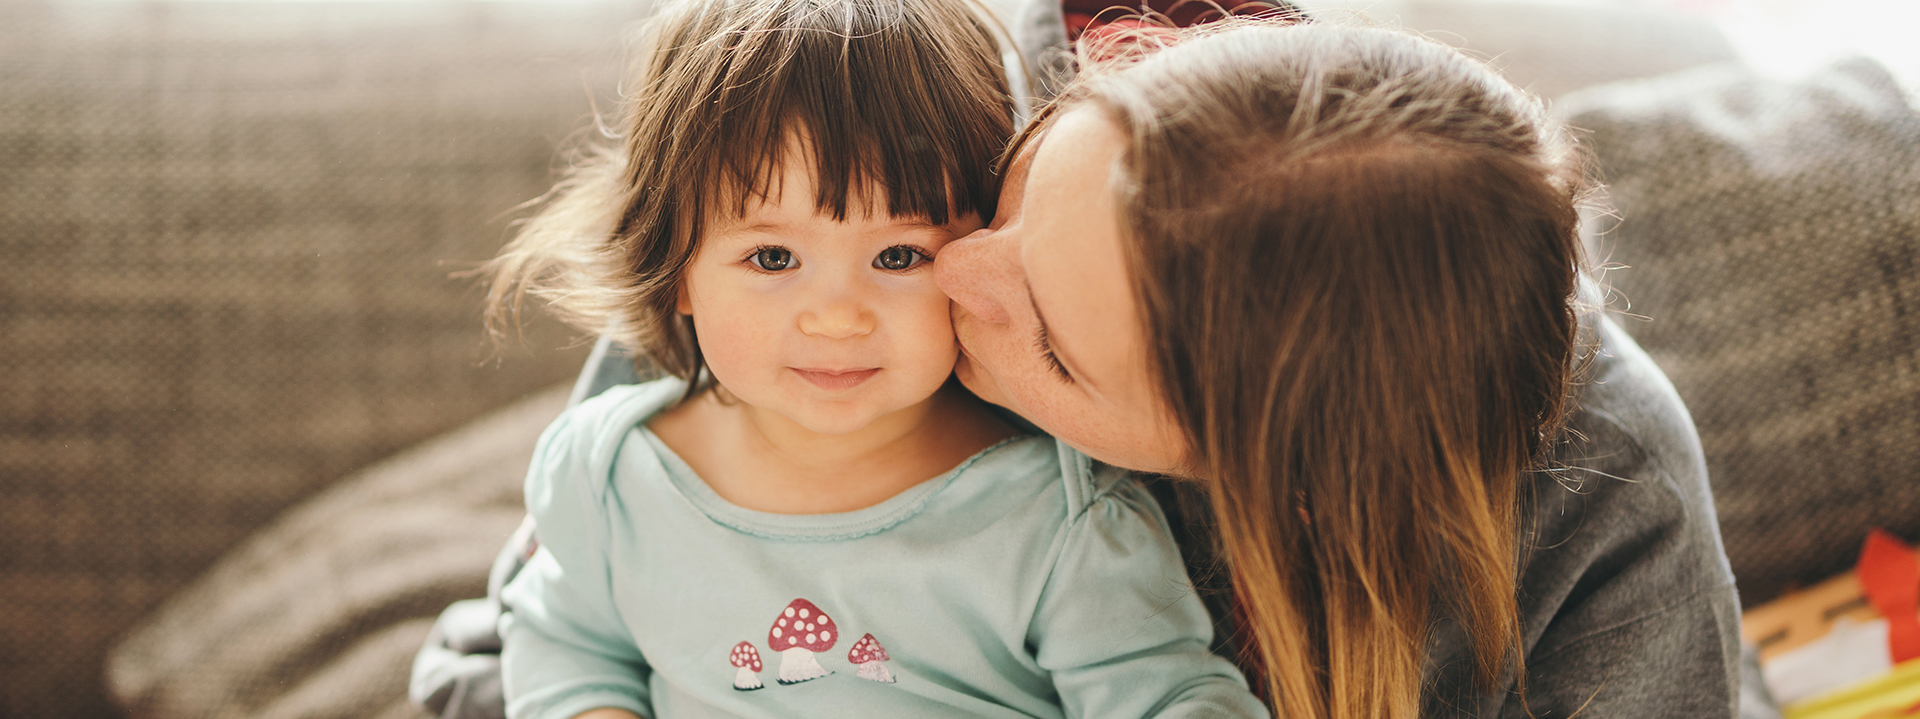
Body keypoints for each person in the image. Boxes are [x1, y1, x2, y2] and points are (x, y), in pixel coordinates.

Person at [415, 8, 1745, 719]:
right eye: (1010, 199)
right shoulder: (870, 171)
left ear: (1247, 481)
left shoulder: (1603, 506)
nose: (947, 275)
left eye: (1045, 337)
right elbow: (519, 637)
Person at [470, 0, 1267, 717]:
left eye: (898, 256)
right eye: (774, 258)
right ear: (678, 268)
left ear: (983, 248)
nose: (839, 317)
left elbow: (1173, 695)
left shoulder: (1063, 517)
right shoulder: (609, 476)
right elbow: (566, 643)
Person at [932, 18, 1743, 719]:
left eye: (1054, 353)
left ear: (1287, 487)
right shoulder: (956, 146)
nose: (953, 267)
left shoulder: (1620, 517)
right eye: (1032, 184)